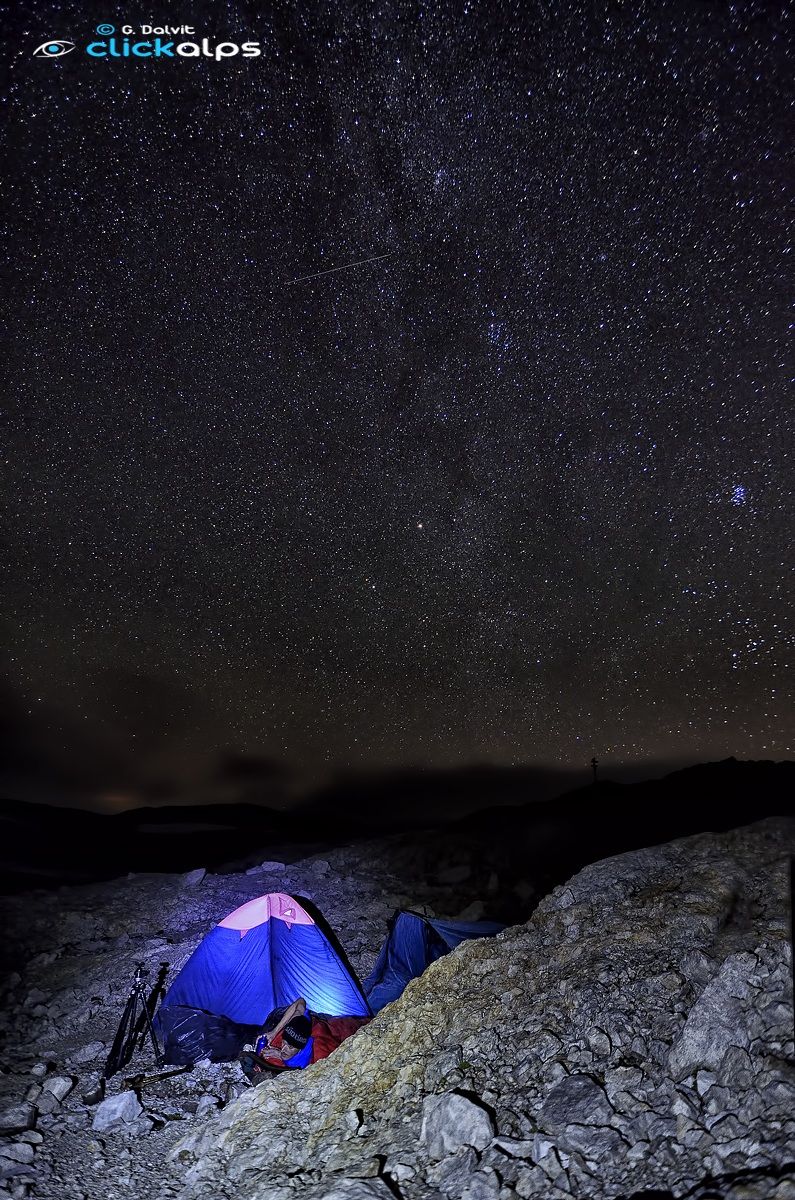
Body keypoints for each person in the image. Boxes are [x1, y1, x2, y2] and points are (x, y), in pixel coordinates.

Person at [239, 997, 371, 1085]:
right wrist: (273, 1033)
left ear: (301, 1049)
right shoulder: (300, 1022)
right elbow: (300, 1002)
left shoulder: (320, 1052)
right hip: (322, 1021)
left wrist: (280, 1055)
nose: (283, 1048)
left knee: (360, 1024)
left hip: (341, 1029)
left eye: (290, 1047)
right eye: (284, 1043)